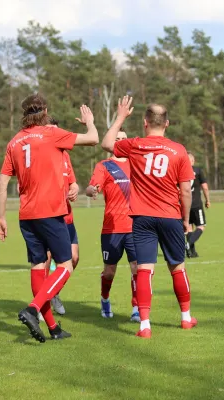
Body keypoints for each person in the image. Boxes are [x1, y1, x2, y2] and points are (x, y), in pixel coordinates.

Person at [0, 93, 98, 343]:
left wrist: (0, 218)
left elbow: (2, 182)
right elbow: (94, 139)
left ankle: (52, 328)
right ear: (45, 111)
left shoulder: (14, 142)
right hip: (50, 212)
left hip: (26, 215)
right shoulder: (51, 133)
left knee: (39, 267)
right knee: (65, 265)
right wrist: (89, 121)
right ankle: (33, 309)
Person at [101, 96, 197, 339]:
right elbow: (185, 190)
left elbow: (106, 143)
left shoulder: (135, 145)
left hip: (142, 217)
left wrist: (121, 117)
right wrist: (186, 220)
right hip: (170, 215)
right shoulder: (178, 150)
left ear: (145, 123)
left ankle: (145, 325)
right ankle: (186, 318)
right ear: (167, 123)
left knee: (144, 269)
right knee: (177, 267)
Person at [85, 129, 139, 322]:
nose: (122, 142)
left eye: (125, 139)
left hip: (135, 226)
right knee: (109, 271)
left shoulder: (137, 164)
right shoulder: (104, 166)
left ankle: (136, 308)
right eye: (117, 139)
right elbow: (91, 188)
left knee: (136, 268)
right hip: (112, 227)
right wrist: (92, 190)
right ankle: (105, 299)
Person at [45, 118, 80, 317]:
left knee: (74, 258)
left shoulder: (65, 155)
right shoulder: (44, 157)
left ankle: (53, 294)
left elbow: (73, 183)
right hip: (49, 218)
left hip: (68, 218)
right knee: (47, 261)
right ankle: (42, 305)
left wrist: (74, 190)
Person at [185, 152, 210, 258]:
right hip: (196, 204)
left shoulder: (180, 171)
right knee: (201, 226)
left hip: (185, 204)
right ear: (192, 161)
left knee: (189, 227)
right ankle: (188, 244)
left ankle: (192, 252)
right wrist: (207, 200)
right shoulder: (198, 171)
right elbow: (205, 187)